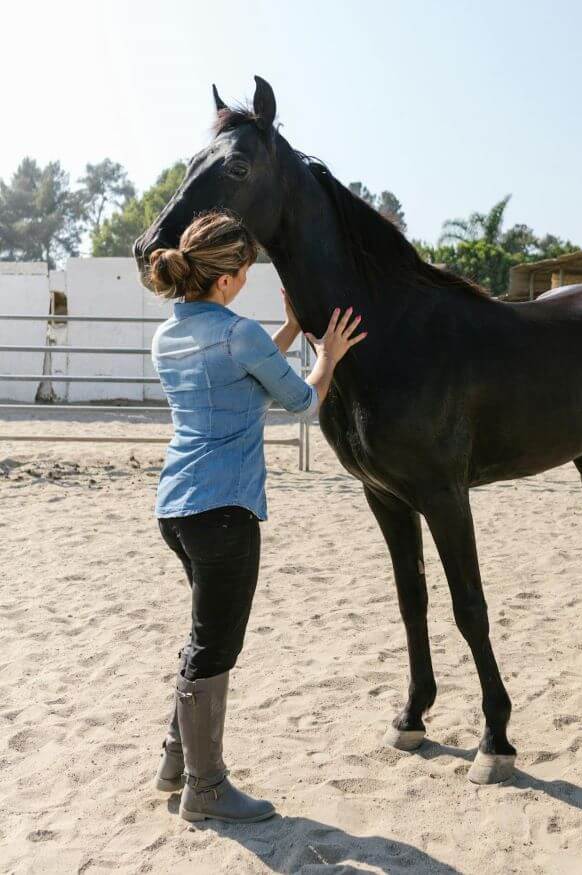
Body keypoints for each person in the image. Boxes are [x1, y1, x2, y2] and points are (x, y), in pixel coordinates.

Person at [147, 210, 366, 824]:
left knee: (202, 636)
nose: (248, 279)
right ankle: (206, 789)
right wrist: (331, 354)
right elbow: (298, 400)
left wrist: (291, 330)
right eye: (244, 270)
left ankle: (176, 762)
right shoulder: (238, 333)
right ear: (225, 280)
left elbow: (244, 380)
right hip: (223, 513)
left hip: (177, 510)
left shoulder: (170, 336)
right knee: (216, 646)